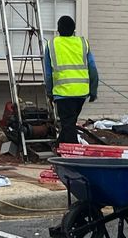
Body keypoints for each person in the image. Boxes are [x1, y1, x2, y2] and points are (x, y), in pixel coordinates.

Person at [41, 14, 100, 145]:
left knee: (68, 125)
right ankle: (59, 146)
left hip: (63, 93)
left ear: (58, 29)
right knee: (69, 123)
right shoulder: (82, 43)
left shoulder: (52, 45)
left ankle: (72, 155)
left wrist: (50, 93)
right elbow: (93, 69)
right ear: (74, 30)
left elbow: (49, 74)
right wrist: (93, 90)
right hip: (81, 93)